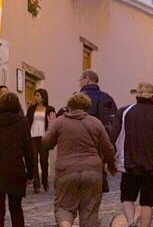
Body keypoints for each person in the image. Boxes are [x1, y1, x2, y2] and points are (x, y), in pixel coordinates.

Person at [44, 93, 115, 227]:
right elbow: (108, 147)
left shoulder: (60, 122)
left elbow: (46, 143)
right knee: (90, 210)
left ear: (69, 107)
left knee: (64, 206)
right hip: (92, 171)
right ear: (87, 107)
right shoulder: (95, 122)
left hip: (66, 170)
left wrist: (50, 127)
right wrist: (111, 165)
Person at [116, 83, 153, 227]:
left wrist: (114, 159)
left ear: (137, 96)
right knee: (148, 202)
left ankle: (130, 221)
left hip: (129, 163)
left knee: (127, 197)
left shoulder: (125, 112)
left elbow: (116, 137)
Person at [0, 93, 35, 227]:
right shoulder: (22, 123)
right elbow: (28, 150)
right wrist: (30, 173)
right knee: (16, 209)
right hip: (15, 169)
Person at [78, 71, 122, 142]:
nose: (79, 83)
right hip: (101, 140)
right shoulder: (107, 98)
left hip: (81, 139)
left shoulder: (78, 98)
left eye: (80, 80)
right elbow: (112, 122)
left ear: (87, 79)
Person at [27, 88, 56, 194]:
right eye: (35, 95)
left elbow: (53, 123)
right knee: (33, 159)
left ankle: (45, 180)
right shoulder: (31, 109)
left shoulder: (50, 109)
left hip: (44, 137)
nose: (36, 97)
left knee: (44, 160)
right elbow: (28, 121)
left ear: (43, 97)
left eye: (38, 95)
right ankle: (36, 184)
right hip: (33, 136)